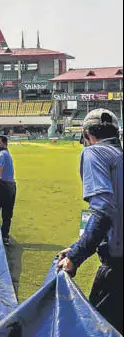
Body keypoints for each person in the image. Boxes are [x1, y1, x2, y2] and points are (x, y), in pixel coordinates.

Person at [56, 109, 123, 334]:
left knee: (97, 329)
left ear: (87, 135)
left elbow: (103, 211)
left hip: (117, 269)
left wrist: (76, 256)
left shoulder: (94, 153)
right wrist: (78, 245)